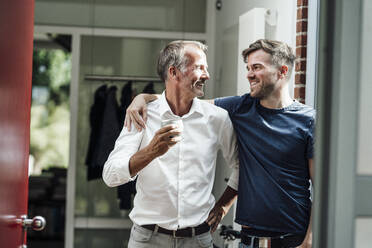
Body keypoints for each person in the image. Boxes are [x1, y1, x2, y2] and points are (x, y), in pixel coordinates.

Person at [124, 39, 315, 248]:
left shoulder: (308, 121)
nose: (249, 74)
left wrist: (309, 241)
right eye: (248, 68)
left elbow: (321, 187)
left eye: (257, 67)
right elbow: (184, 101)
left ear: (282, 71)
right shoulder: (240, 107)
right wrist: (143, 98)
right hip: (249, 240)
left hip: (293, 239)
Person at [102, 40, 239, 248]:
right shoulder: (141, 115)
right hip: (147, 240)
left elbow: (241, 166)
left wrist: (223, 205)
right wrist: (151, 152)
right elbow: (111, 175)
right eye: (200, 68)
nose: (207, 75)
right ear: (174, 72)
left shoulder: (217, 118)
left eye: (207, 68)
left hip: (199, 240)